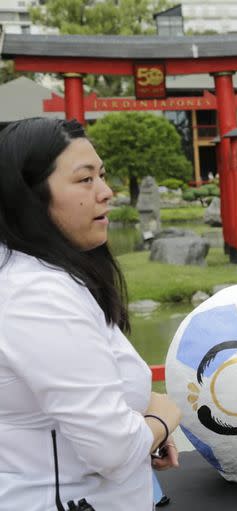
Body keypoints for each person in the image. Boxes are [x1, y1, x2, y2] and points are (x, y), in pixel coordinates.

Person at [0, 118, 182, 509]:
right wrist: (164, 416)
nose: (106, 192)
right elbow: (114, 450)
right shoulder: (36, 297)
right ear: (29, 196)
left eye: (102, 175)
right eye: (85, 180)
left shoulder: (51, 276)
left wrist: (142, 414)